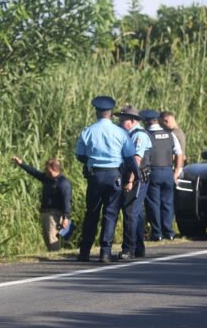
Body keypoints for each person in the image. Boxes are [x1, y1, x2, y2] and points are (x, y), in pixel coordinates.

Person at [75, 96, 139, 263]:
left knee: (91, 213)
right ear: (111, 113)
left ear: (96, 112)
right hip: (114, 176)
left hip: (95, 175)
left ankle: (84, 252)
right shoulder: (121, 133)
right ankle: (105, 252)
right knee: (110, 214)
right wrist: (136, 175)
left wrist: (92, 160)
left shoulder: (87, 131)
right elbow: (130, 157)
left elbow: (80, 155)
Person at [11, 156, 72, 251]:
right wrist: (21, 163)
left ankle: (55, 258)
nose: (46, 171)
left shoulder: (63, 183)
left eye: (48, 169)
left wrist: (65, 217)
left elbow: (66, 200)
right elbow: (34, 172)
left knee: (51, 237)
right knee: (47, 237)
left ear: (54, 168)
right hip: (46, 212)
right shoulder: (47, 178)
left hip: (54, 213)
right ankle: (55, 255)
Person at [114, 106, 152, 260]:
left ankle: (128, 249)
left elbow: (136, 160)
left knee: (130, 213)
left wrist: (130, 180)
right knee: (136, 214)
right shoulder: (130, 134)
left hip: (136, 178)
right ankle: (138, 248)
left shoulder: (139, 136)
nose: (120, 122)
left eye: (122, 120)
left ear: (131, 120)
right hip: (135, 177)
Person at [141, 109, 183, 241]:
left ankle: (157, 233)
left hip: (153, 172)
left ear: (146, 122)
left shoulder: (146, 135)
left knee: (153, 203)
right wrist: (176, 170)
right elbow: (179, 153)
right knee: (168, 203)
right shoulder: (170, 135)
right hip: (167, 172)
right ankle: (169, 232)